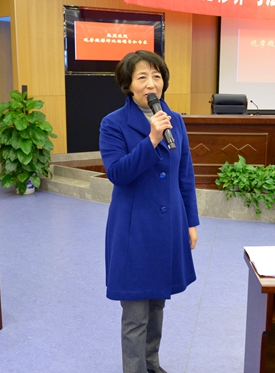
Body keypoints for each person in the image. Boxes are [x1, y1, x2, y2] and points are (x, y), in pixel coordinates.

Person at [99, 50, 199, 373]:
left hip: (169, 225)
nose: (151, 84)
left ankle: (152, 364)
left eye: (156, 76)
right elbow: (118, 173)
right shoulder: (113, 124)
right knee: (135, 313)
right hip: (134, 230)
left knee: (157, 304)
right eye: (142, 77)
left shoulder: (175, 120)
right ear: (128, 85)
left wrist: (190, 222)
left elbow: (184, 174)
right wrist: (152, 139)